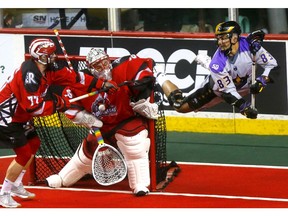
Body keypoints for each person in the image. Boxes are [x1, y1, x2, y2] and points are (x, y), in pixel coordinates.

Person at [0, 39, 117, 208]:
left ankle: (17, 184)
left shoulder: (50, 68)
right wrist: (59, 103)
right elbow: (34, 108)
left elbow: (76, 78)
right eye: (49, 55)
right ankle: (4, 193)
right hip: (6, 116)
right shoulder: (29, 76)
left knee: (34, 143)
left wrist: (101, 84)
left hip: (21, 115)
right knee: (24, 153)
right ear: (39, 56)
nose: (53, 57)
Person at [46, 48, 159, 196]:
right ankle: (63, 178)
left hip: (125, 120)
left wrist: (140, 84)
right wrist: (86, 118)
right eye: (98, 66)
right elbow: (69, 107)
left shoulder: (121, 69)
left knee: (134, 145)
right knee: (87, 153)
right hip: (100, 125)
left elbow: (143, 70)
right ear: (91, 69)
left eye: (105, 63)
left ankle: (140, 184)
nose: (104, 68)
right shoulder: (81, 83)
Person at [154, 21, 278, 119]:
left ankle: (206, 62)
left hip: (241, 85)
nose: (220, 42)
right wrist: (244, 108)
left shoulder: (250, 46)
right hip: (218, 90)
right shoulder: (217, 64)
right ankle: (159, 74)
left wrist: (262, 80)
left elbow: (273, 66)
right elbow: (228, 93)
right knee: (179, 106)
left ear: (234, 38)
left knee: (227, 71)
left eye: (224, 38)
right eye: (218, 38)